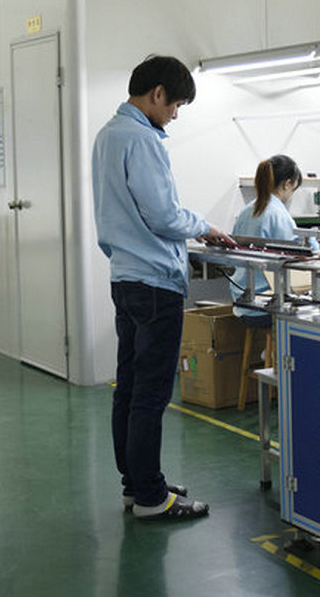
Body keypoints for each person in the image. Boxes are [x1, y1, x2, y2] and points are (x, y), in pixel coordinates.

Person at [92, 54, 234, 521]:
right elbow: (164, 215)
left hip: (125, 277)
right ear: (156, 94)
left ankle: (136, 485)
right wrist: (206, 226)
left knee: (129, 388)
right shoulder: (142, 139)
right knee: (151, 394)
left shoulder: (108, 135)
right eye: (175, 105)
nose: (174, 115)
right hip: (155, 283)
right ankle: (152, 499)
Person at [229, 155, 304, 326]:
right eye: (293, 189)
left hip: (241, 300)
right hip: (264, 303)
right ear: (287, 184)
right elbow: (300, 252)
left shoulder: (246, 210)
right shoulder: (278, 214)